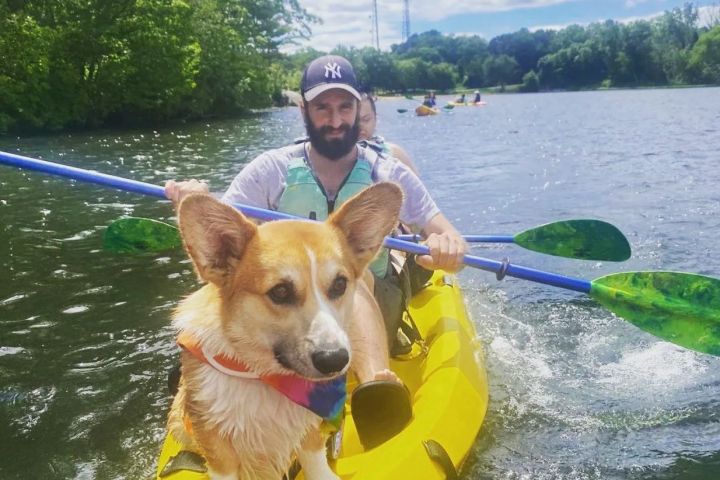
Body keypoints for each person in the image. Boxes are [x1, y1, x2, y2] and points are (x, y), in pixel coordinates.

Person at [165, 54, 466, 448]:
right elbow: (226, 247)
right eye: (323, 107)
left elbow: (445, 231)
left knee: (344, 279)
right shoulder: (271, 168)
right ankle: (204, 389)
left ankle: (375, 384)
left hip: (370, 298)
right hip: (291, 317)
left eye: (345, 106)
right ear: (304, 110)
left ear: (359, 108)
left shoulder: (386, 171)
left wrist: (446, 244)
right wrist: (196, 198)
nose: (336, 119)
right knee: (241, 285)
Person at [358, 93, 420, 176]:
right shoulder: (337, 157)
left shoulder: (394, 154)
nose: (360, 126)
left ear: (376, 120)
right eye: (355, 121)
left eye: (366, 120)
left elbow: (415, 187)